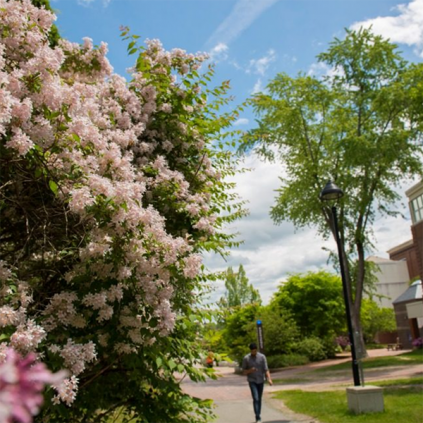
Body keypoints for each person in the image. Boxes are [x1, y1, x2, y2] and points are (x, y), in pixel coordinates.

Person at [242, 342, 272, 423]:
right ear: (250, 350)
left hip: (260, 380)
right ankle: (257, 417)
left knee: (259, 399)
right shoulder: (246, 358)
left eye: (255, 351)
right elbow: (244, 372)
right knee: (256, 398)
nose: (254, 352)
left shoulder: (262, 357)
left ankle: (259, 414)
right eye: (252, 351)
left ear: (257, 350)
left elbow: (266, 369)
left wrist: (269, 379)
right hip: (252, 381)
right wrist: (250, 370)